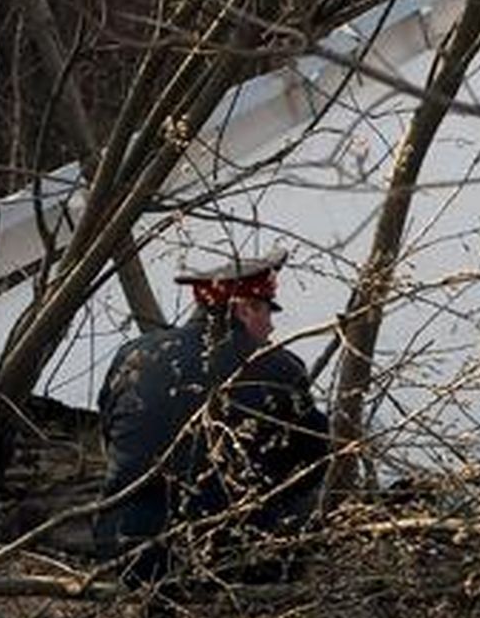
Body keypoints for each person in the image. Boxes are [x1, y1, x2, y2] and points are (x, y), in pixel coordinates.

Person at [93, 249, 330, 584]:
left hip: (125, 551)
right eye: (266, 311)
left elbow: (110, 435)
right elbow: (314, 459)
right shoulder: (276, 368)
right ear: (245, 309)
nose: (271, 325)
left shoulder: (134, 355)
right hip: (230, 560)